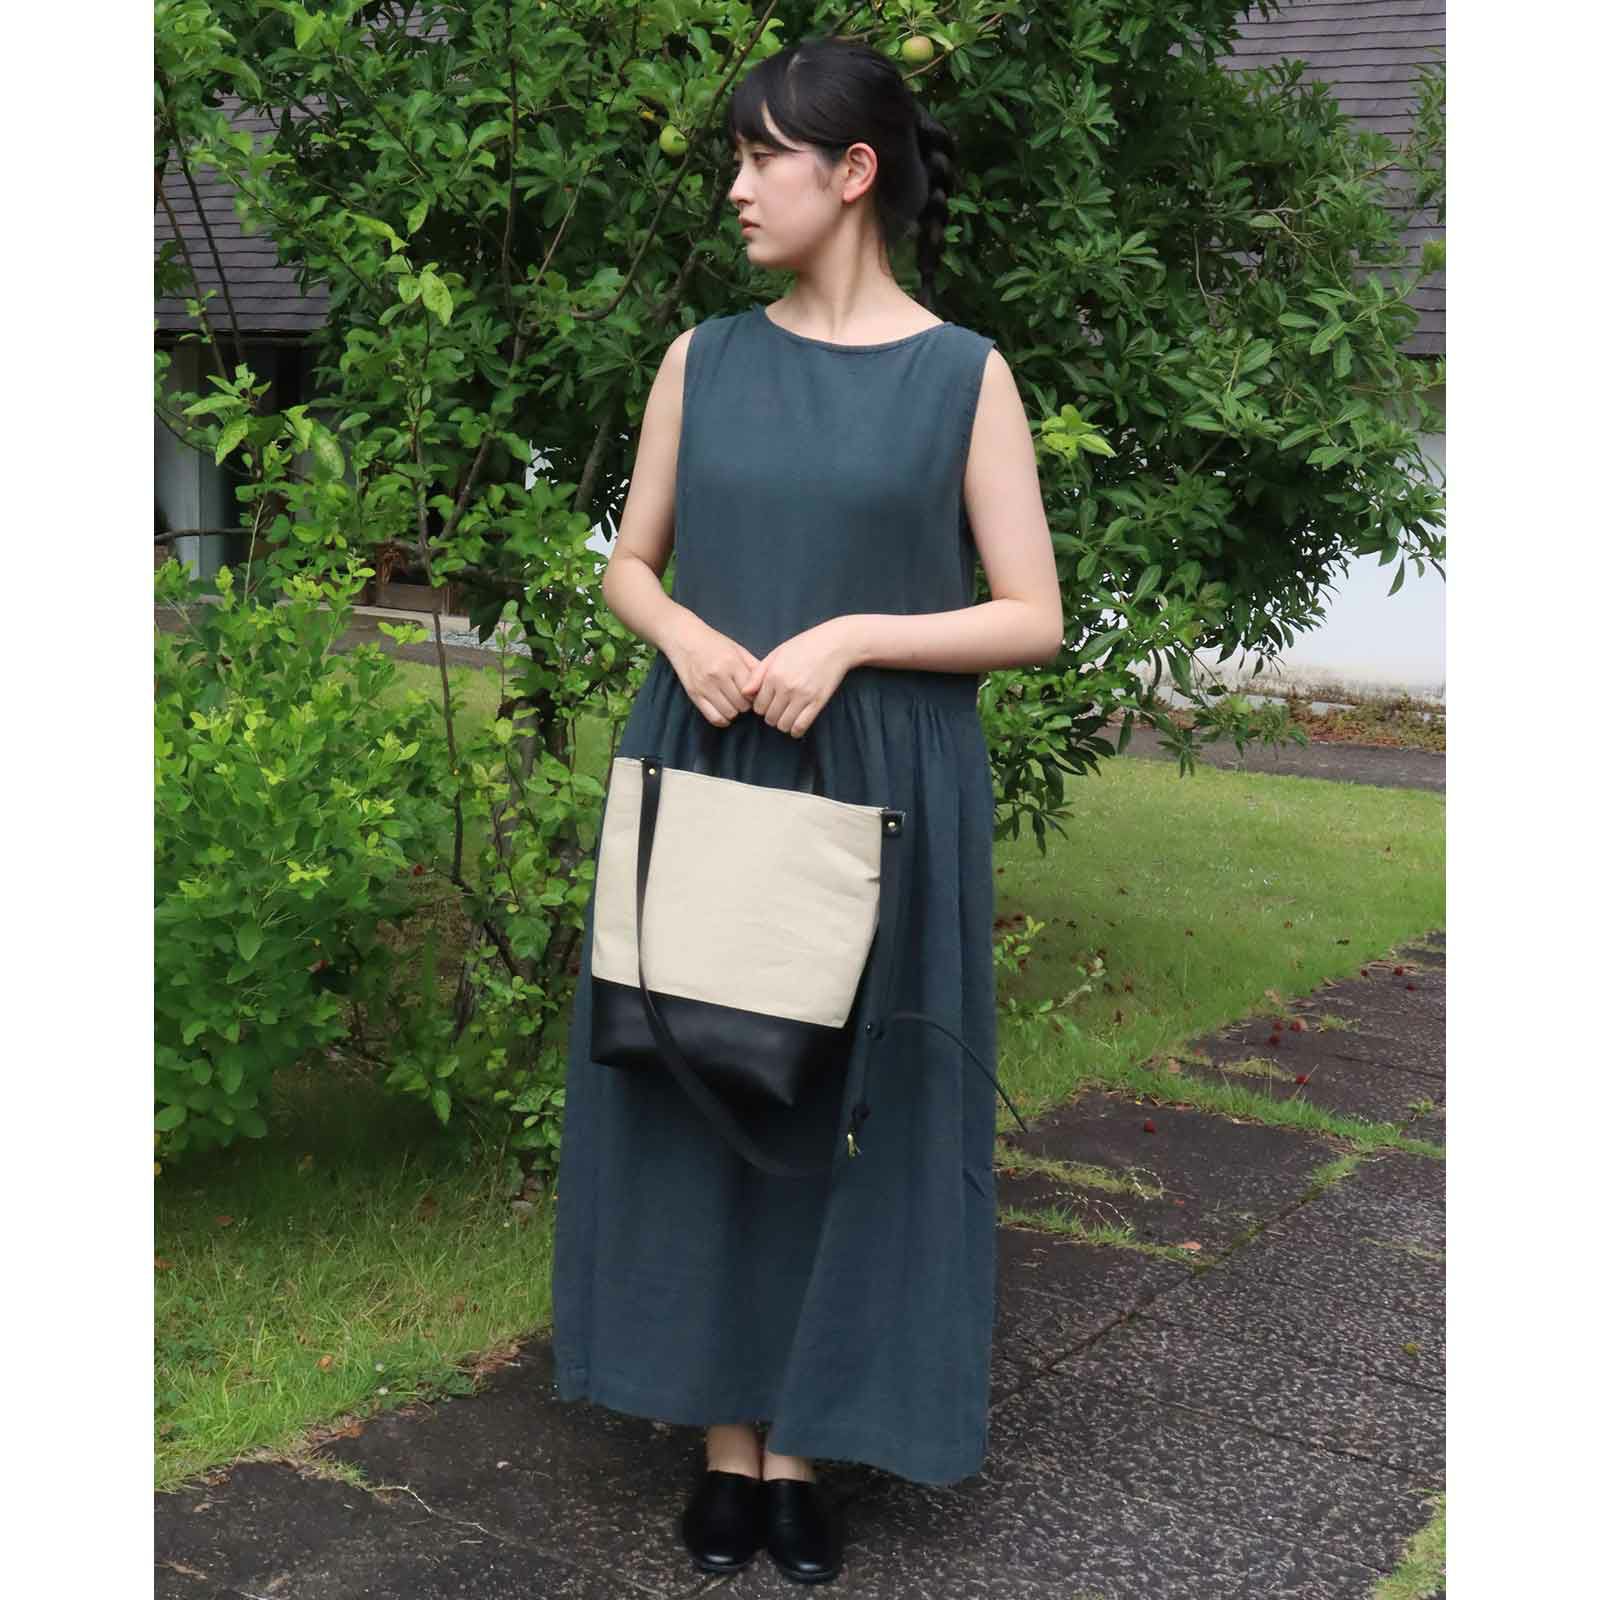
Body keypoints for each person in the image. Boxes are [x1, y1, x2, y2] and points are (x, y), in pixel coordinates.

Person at [551, 33, 1062, 1586]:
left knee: (859, 1112)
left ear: (851, 173)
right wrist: (685, 635)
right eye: (735, 155)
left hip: (883, 787)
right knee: (700, 1085)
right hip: (713, 757)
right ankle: (725, 1444)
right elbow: (629, 562)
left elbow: (1032, 614)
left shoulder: (962, 376)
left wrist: (849, 638)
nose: (735, 185)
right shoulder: (701, 360)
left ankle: (805, 1447)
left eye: (762, 155)